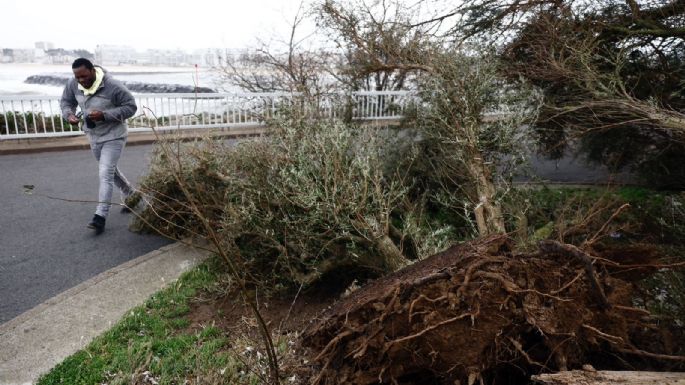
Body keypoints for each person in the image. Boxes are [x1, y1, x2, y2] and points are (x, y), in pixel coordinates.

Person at [60, 58, 138, 235]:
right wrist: (69, 115)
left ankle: (100, 217)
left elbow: (131, 107)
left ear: (93, 70)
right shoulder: (73, 84)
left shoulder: (113, 86)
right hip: (94, 136)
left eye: (84, 76)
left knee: (105, 174)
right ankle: (133, 195)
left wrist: (105, 115)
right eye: (77, 77)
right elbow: (66, 102)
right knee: (111, 171)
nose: (81, 80)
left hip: (114, 136)